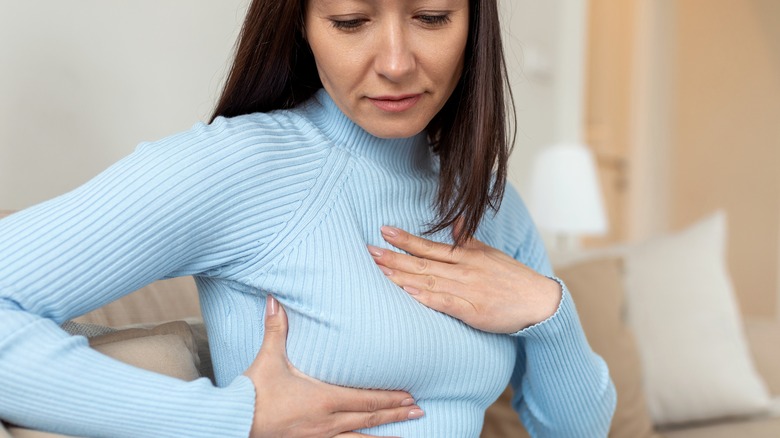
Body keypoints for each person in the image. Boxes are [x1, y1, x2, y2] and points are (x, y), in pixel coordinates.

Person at [0, 0, 616, 436]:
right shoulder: (243, 166)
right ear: (301, 23)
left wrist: (547, 310)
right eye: (350, 21)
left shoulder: (488, 198)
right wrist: (231, 420)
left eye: (432, 17)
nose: (397, 62)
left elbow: (578, 430)